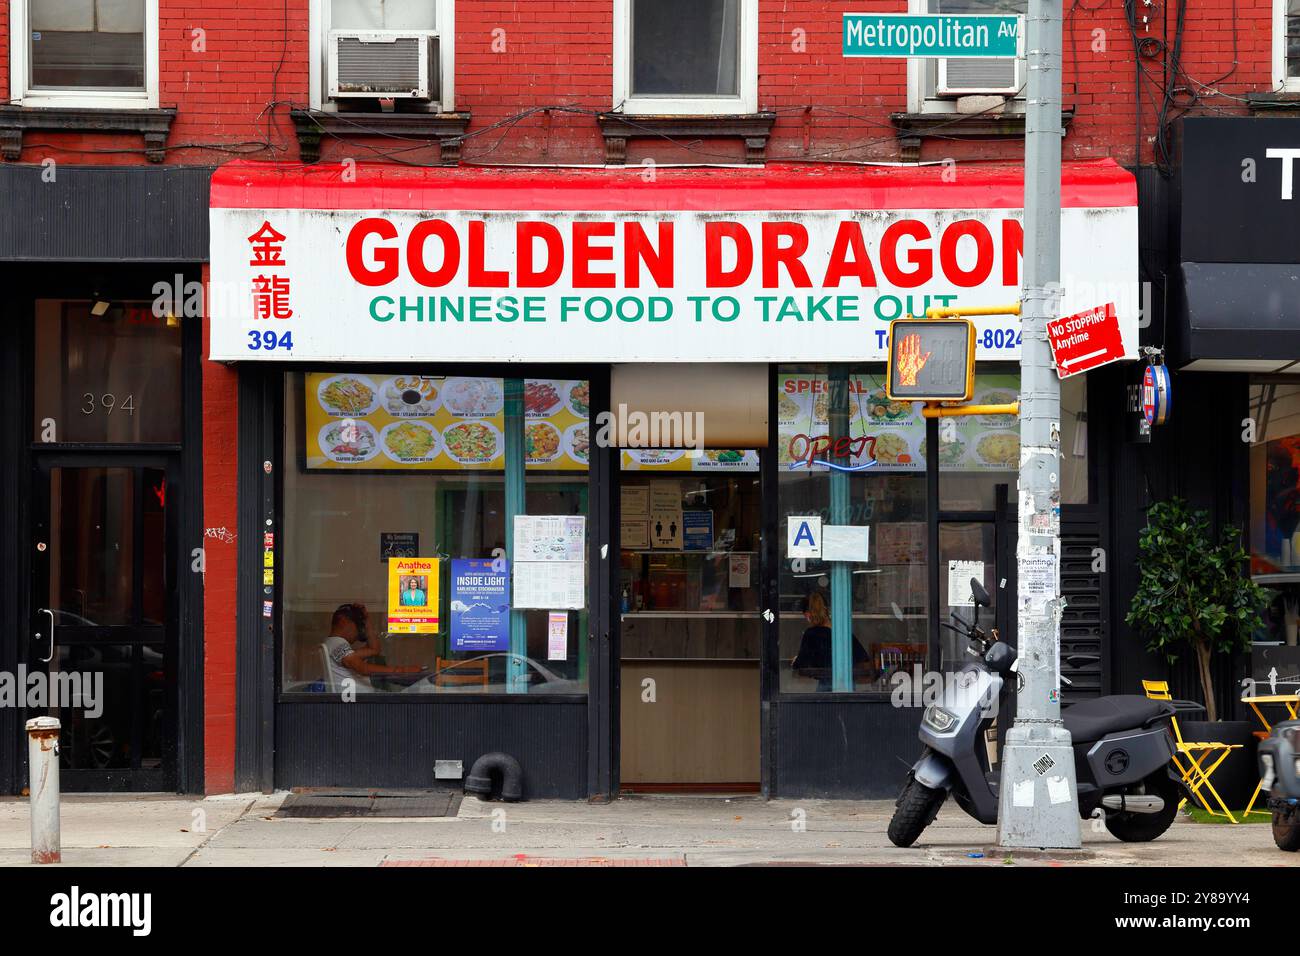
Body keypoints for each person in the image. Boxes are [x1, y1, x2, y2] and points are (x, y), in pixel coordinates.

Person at [323, 605, 420, 691]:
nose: (359, 631)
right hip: (357, 704)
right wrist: (401, 671)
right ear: (344, 621)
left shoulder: (333, 644)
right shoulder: (337, 643)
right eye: (358, 625)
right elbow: (361, 668)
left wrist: (367, 620)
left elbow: (374, 650)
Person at [791, 591, 871, 691]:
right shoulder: (843, 632)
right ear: (826, 610)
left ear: (808, 615)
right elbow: (863, 660)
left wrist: (796, 661)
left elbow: (802, 664)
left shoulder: (811, 634)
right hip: (847, 686)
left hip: (826, 687)